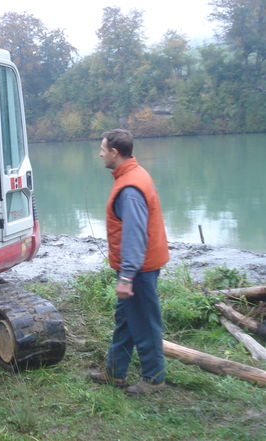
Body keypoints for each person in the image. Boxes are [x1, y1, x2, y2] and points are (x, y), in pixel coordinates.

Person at [89, 128, 170, 395]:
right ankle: (115, 372)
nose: (100, 153)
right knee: (126, 319)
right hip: (141, 265)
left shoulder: (130, 188)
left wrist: (127, 276)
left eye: (102, 148)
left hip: (140, 269)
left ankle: (154, 378)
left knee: (145, 322)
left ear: (114, 152)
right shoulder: (134, 175)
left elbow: (134, 235)